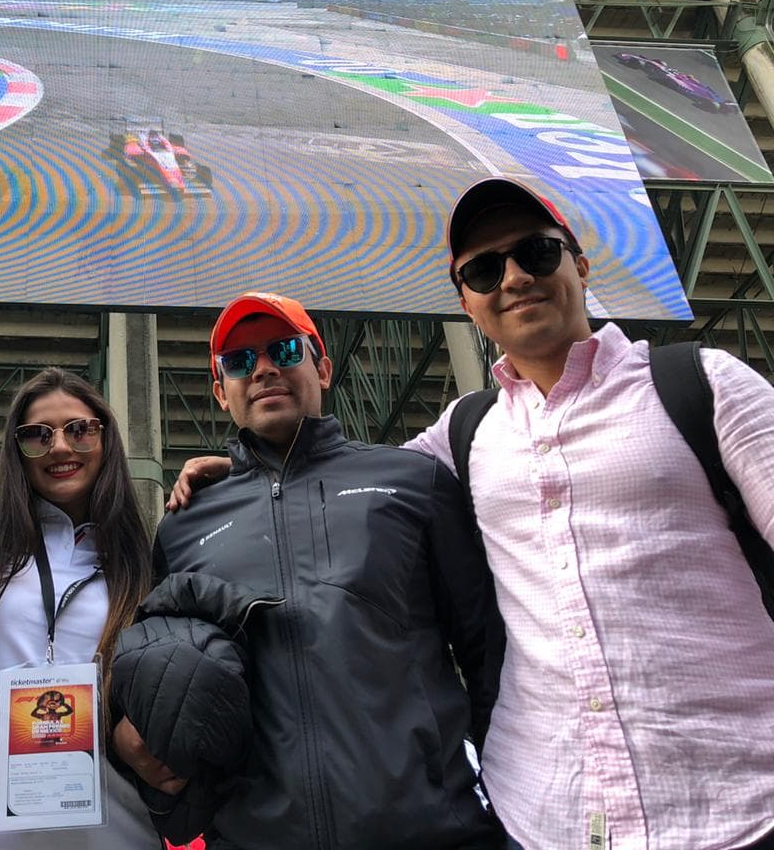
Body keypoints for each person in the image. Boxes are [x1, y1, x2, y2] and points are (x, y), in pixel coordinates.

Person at [172, 179, 774, 850]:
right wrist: (247, 477)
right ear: (466, 299)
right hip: (550, 819)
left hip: (741, 804)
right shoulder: (465, 432)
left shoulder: (704, 383)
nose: (514, 278)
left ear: (580, 263)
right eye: (486, 269)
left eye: (536, 254)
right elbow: (342, 485)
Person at [112, 292, 504, 850]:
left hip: (429, 831)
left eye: (284, 349)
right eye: (240, 361)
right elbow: (161, 669)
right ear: (222, 392)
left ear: (321, 366)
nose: (265, 369)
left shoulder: (413, 482)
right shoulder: (184, 525)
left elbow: (488, 658)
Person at [0, 368, 158, 850]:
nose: (59, 447)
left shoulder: (143, 557)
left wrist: (224, 480)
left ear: (106, 438)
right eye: (37, 435)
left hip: (116, 832)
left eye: (79, 429)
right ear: (17, 450)